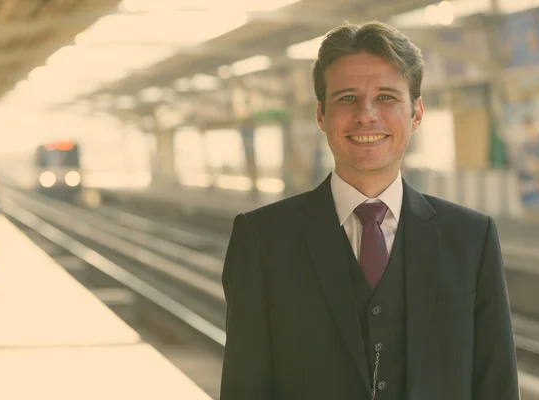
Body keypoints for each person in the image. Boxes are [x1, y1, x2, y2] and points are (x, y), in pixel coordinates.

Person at [220, 21, 519, 400]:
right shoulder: (262, 240)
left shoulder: (471, 238)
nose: (366, 115)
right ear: (320, 115)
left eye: (386, 97)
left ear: (416, 113)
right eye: (346, 98)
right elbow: (243, 389)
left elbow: (497, 387)